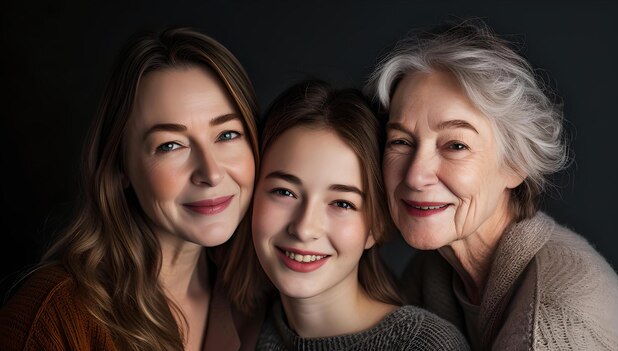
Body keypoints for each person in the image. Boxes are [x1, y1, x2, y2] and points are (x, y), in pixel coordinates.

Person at [365, 18, 618, 350]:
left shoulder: (552, 323)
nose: (415, 175)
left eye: (455, 146)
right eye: (400, 142)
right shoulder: (433, 273)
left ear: (516, 164)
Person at [0, 27, 263, 350]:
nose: (210, 172)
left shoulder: (260, 305)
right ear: (120, 165)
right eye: (170, 145)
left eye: (226, 135)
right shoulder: (51, 317)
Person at [239, 79, 470, 350]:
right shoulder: (239, 329)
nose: (304, 228)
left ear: (376, 226)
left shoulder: (422, 345)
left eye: (342, 203)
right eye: (285, 192)